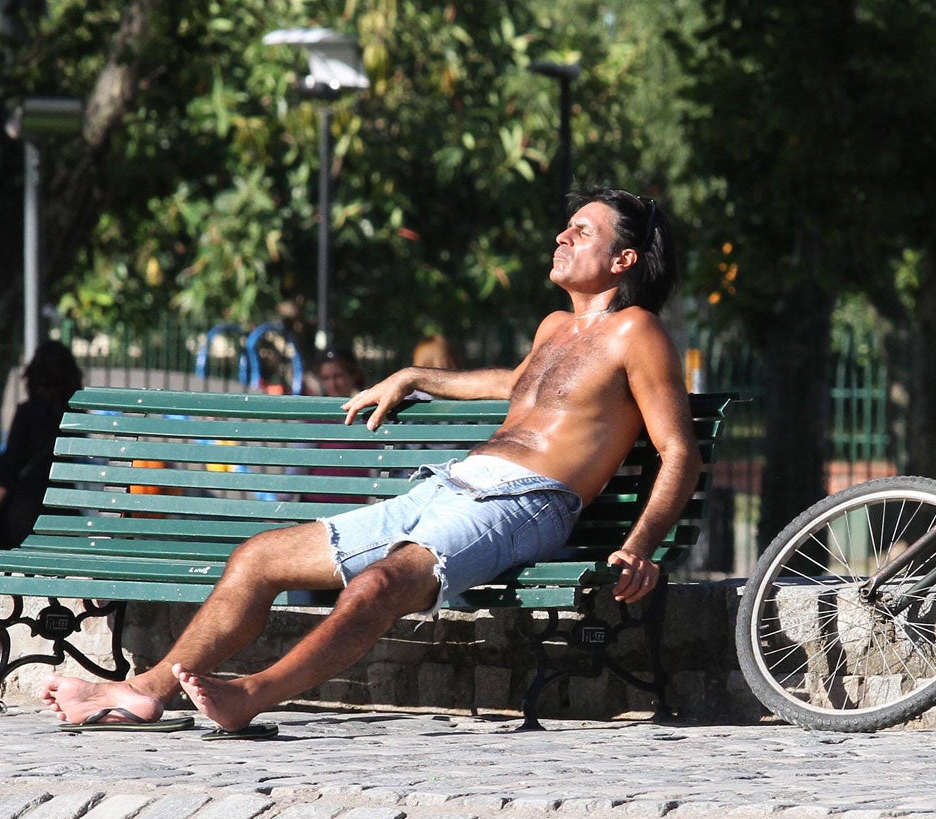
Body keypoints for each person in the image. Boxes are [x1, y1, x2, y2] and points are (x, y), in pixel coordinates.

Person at [43, 184, 696, 731]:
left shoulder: (638, 333)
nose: (562, 237)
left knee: (381, 584)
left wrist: (639, 545)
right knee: (258, 558)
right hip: (450, 487)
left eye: (582, 232)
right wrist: (414, 375)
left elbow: (678, 452)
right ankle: (148, 689)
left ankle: (252, 695)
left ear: (623, 259)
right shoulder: (556, 328)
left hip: (527, 503)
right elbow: (513, 385)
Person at [0, 341, 83, 549]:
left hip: (25, 512)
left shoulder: (27, 413)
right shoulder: (77, 416)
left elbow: (8, 467)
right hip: (65, 508)